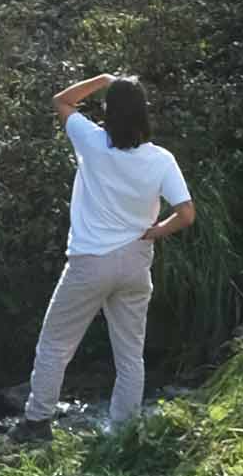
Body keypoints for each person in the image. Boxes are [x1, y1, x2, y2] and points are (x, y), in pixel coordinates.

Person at [18, 72, 194, 435]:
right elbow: (187, 213)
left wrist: (104, 79)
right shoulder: (161, 159)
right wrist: (157, 231)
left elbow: (61, 101)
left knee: (55, 344)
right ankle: (122, 432)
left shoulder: (92, 142)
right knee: (130, 355)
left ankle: (37, 422)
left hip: (89, 263)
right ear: (144, 114)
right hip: (135, 261)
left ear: (108, 113)